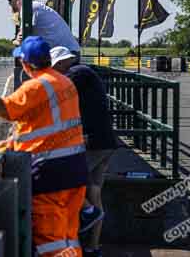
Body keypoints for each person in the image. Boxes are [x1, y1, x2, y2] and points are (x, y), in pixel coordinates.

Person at [0, 36, 87, 257]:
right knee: (69, 237)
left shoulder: (35, 86)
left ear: (25, 63)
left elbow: (3, 110)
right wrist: (15, 141)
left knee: (51, 242)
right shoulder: (65, 82)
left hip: (51, 174)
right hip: (76, 171)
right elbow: (50, 124)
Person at [51, 46, 118, 257]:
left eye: (55, 68)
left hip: (94, 143)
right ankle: (93, 247)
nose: (55, 73)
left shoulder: (77, 73)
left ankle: (86, 214)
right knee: (94, 193)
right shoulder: (84, 74)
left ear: (63, 63)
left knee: (64, 179)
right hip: (105, 142)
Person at [7, 0, 81, 62]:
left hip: (65, 55)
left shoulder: (28, 7)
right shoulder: (34, 6)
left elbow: (22, 37)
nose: (9, 4)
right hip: (65, 53)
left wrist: (15, 41)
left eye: (9, 0)